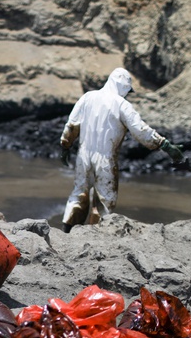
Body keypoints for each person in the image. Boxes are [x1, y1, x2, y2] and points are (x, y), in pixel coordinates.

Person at [59, 67, 184, 232]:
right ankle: (95, 235)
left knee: (79, 194)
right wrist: (165, 145)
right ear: (124, 87)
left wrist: (65, 146)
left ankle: (67, 231)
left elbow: (72, 125)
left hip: (83, 156)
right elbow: (141, 130)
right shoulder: (121, 104)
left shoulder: (88, 97)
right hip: (106, 159)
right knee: (104, 200)